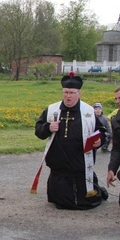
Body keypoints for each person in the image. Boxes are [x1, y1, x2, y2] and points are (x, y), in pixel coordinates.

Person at [33, 72, 106, 210]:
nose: (68, 96)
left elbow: (102, 131)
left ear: (79, 93)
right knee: (61, 202)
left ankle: (99, 191)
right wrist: (48, 127)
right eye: (65, 92)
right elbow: (38, 130)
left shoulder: (88, 111)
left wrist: (100, 141)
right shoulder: (51, 110)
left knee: (87, 201)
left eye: (72, 93)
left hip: (80, 165)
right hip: (59, 168)